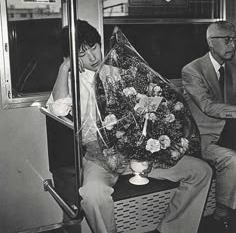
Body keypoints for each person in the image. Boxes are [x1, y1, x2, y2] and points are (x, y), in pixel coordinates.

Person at [47, 19, 212, 233]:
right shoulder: (72, 82)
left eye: (94, 48)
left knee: (200, 171)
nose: (92, 57)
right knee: (92, 194)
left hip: (138, 152)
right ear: (70, 57)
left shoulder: (116, 73)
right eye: (81, 54)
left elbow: (144, 106)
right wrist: (64, 68)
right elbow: (58, 110)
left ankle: (173, 228)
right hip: (101, 156)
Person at [182, 20, 236, 233]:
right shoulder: (193, 70)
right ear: (211, 43)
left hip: (230, 131)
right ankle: (221, 214)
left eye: (234, 39)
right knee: (231, 159)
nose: (232, 45)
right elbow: (208, 106)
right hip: (204, 136)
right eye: (227, 40)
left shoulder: (232, 67)